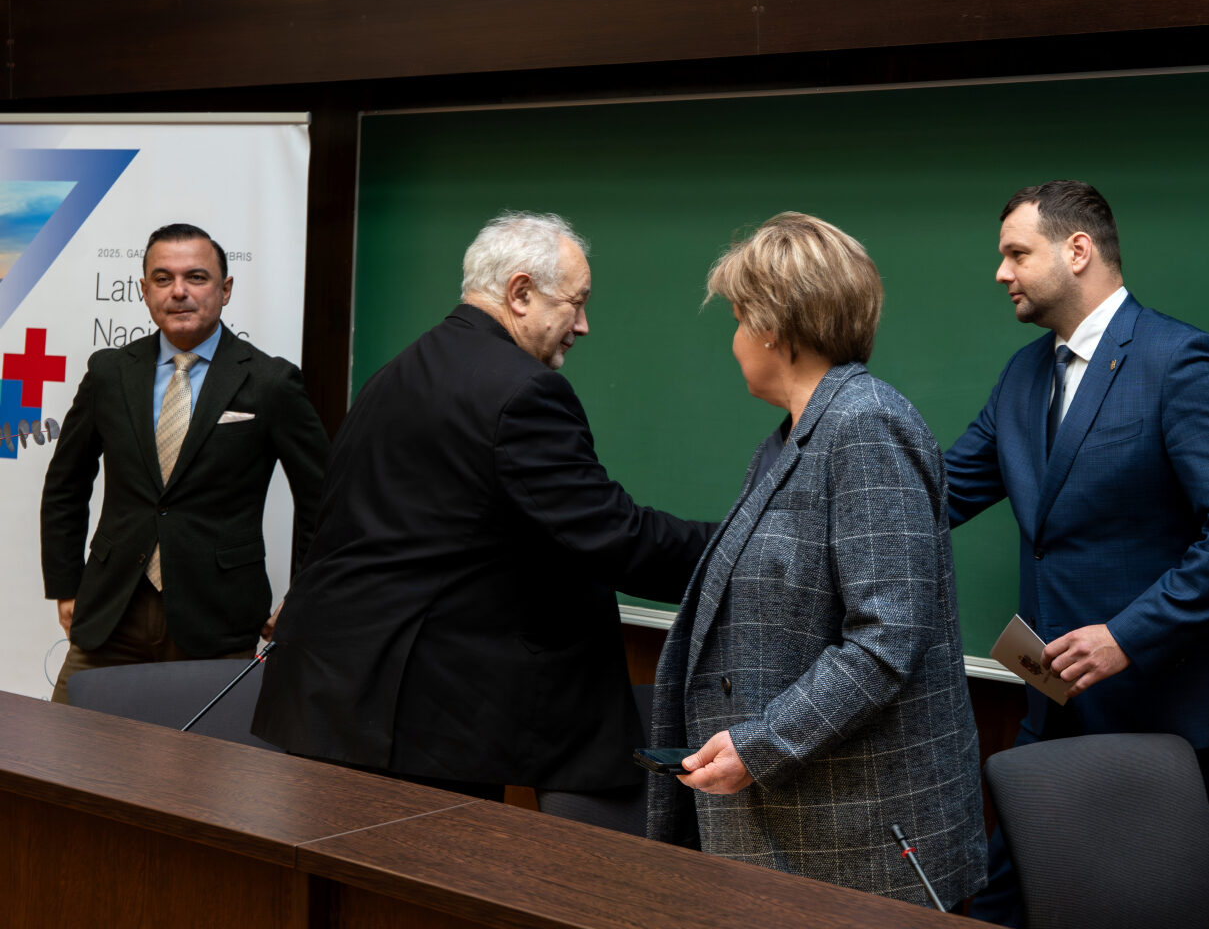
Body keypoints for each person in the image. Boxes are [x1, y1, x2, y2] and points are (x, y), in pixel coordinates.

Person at [252, 211, 712, 799]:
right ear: (520, 293)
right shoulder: (523, 391)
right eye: (576, 303)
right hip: (418, 719)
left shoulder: (395, 372)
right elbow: (612, 536)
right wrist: (742, 545)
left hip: (335, 696)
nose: (583, 325)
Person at [946, 181, 1209, 928]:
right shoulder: (1023, 375)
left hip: (1171, 712)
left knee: (1184, 912)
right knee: (1004, 901)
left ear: (1077, 250)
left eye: (1016, 253)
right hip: (1052, 700)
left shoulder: (1180, 361)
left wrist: (1126, 636)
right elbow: (941, 494)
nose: (1001, 273)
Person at [647, 212, 987, 910]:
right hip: (795, 827)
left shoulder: (866, 425)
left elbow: (886, 640)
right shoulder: (791, 438)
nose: (734, 340)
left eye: (738, 319)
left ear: (772, 326)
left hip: (855, 844)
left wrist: (761, 744)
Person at [40, 222, 329, 703]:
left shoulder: (271, 383)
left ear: (225, 289)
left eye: (196, 277)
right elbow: (65, 485)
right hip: (110, 612)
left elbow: (323, 498)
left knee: (206, 753)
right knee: (68, 744)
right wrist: (65, 585)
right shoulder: (109, 373)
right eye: (163, 278)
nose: (178, 291)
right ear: (144, 290)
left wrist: (303, 596)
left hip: (219, 620)